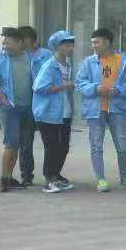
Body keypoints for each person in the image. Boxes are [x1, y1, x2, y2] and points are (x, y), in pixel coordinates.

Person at [75, 28, 126, 192]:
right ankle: (101, 180)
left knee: (122, 144)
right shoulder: (89, 62)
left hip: (118, 108)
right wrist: (95, 88)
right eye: (92, 43)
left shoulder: (123, 60)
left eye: (96, 42)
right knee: (96, 145)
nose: (93, 46)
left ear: (107, 42)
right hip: (95, 109)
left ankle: (125, 177)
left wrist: (119, 90)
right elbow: (79, 83)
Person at [0, 27, 36, 192]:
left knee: (19, 145)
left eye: (8, 43)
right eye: (4, 43)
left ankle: (9, 178)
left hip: (27, 107)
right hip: (9, 108)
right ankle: (3, 178)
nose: (5, 46)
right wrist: (3, 100)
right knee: (10, 144)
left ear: (20, 42)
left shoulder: (29, 57)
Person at [31, 31, 77, 193]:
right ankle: (49, 179)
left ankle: (55, 175)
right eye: (67, 46)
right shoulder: (49, 65)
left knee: (63, 147)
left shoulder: (68, 65)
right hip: (47, 113)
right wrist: (66, 85)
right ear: (57, 47)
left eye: (72, 45)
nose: (71, 48)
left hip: (64, 112)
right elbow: (39, 87)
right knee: (52, 147)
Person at [19, 25, 52, 186]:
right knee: (25, 142)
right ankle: (26, 175)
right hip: (25, 103)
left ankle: (51, 174)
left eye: (24, 39)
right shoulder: (16, 57)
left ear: (33, 40)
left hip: (44, 101)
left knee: (50, 142)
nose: (22, 42)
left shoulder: (46, 55)